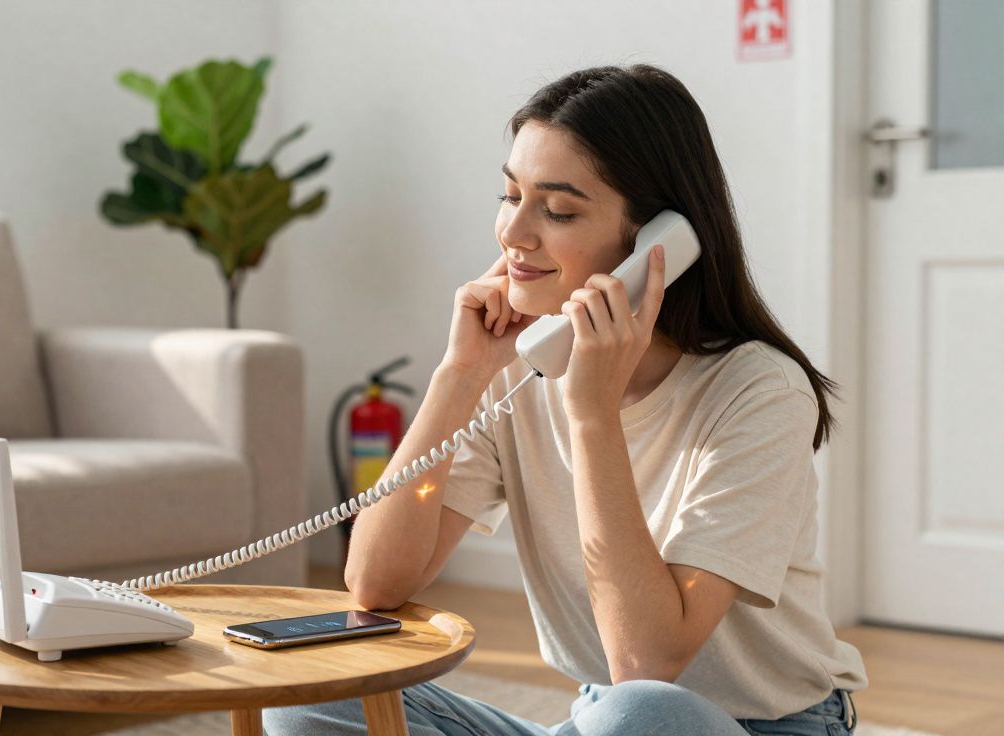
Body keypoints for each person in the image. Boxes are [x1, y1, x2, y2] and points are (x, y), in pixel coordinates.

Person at [265, 63, 867, 735]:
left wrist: (592, 414)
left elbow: (647, 660)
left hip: (744, 726)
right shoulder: (518, 372)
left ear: (657, 242)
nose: (514, 234)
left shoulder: (760, 393)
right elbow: (377, 583)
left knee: (642, 712)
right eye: (509, 195)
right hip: (599, 722)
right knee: (309, 688)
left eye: (557, 210)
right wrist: (459, 375)